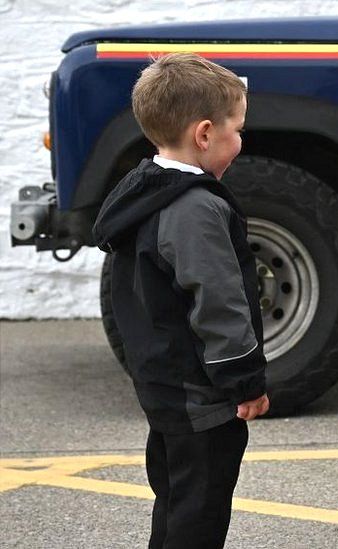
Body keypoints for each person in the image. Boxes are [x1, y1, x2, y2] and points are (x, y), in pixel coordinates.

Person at [91, 53, 269, 549]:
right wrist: (245, 382)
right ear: (205, 134)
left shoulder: (144, 193)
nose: (241, 140)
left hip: (164, 386)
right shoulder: (194, 209)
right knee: (200, 515)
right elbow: (219, 303)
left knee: (174, 500)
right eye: (237, 129)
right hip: (203, 398)